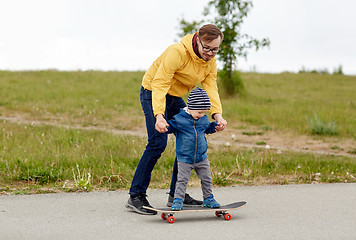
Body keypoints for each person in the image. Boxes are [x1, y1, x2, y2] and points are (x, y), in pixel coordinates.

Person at [126, 24, 227, 215]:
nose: (211, 53)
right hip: (153, 91)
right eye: (207, 48)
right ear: (197, 39)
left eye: (215, 49)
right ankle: (136, 195)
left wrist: (217, 115)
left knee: (187, 139)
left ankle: (177, 195)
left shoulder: (210, 61)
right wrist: (159, 115)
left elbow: (210, 87)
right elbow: (160, 82)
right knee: (157, 143)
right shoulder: (177, 52)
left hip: (175, 97)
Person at [167, 88, 220, 211]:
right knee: (182, 180)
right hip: (185, 158)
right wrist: (164, 126)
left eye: (204, 113)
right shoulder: (179, 119)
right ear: (190, 107)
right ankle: (178, 200)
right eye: (199, 112)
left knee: (206, 178)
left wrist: (215, 127)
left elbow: (206, 128)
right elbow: (170, 127)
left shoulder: (203, 119)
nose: (202, 115)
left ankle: (208, 198)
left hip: (201, 157)